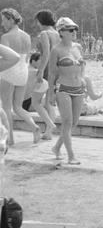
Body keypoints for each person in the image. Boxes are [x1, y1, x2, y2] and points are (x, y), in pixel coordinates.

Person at [48, 17, 86, 164]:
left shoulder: (78, 47)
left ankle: (57, 147)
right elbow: (51, 73)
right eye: (70, 30)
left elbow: (83, 65)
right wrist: (50, 93)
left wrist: (82, 78)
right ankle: (71, 156)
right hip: (63, 87)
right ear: (61, 32)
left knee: (74, 122)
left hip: (78, 88)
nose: (74, 32)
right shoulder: (56, 50)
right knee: (67, 121)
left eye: (75, 29)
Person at [0, 8, 41, 144]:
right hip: (23, 71)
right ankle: (34, 127)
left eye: (4, 20)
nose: (2, 24)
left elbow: (5, 57)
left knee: (6, 107)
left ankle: (9, 139)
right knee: (18, 107)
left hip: (9, 71)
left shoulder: (5, 37)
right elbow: (27, 56)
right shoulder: (27, 36)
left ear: (11, 20)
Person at [34, 10, 60, 140]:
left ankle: (50, 127)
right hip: (57, 69)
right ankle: (49, 131)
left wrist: (40, 71)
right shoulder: (57, 33)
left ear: (41, 20)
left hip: (47, 69)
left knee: (37, 101)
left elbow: (46, 54)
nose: (37, 24)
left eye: (37, 21)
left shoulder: (44, 33)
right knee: (49, 100)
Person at [22, 54, 55, 139]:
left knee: (41, 104)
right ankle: (50, 125)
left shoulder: (31, 71)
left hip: (27, 100)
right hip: (27, 100)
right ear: (33, 61)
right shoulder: (33, 72)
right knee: (43, 105)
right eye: (40, 61)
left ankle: (49, 126)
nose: (42, 64)